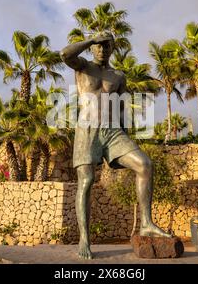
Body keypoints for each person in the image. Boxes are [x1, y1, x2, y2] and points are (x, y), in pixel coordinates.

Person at [60, 31, 171, 260]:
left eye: (106, 46)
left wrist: (126, 136)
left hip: (113, 132)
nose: (102, 50)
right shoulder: (82, 66)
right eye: (98, 46)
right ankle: (84, 238)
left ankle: (146, 224)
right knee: (87, 181)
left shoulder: (118, 76)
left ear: (112, 49)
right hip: (87, 131)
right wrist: (91, 38)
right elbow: (64, 54)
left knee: (145, 164)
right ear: (92, 48)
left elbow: (120, 108)